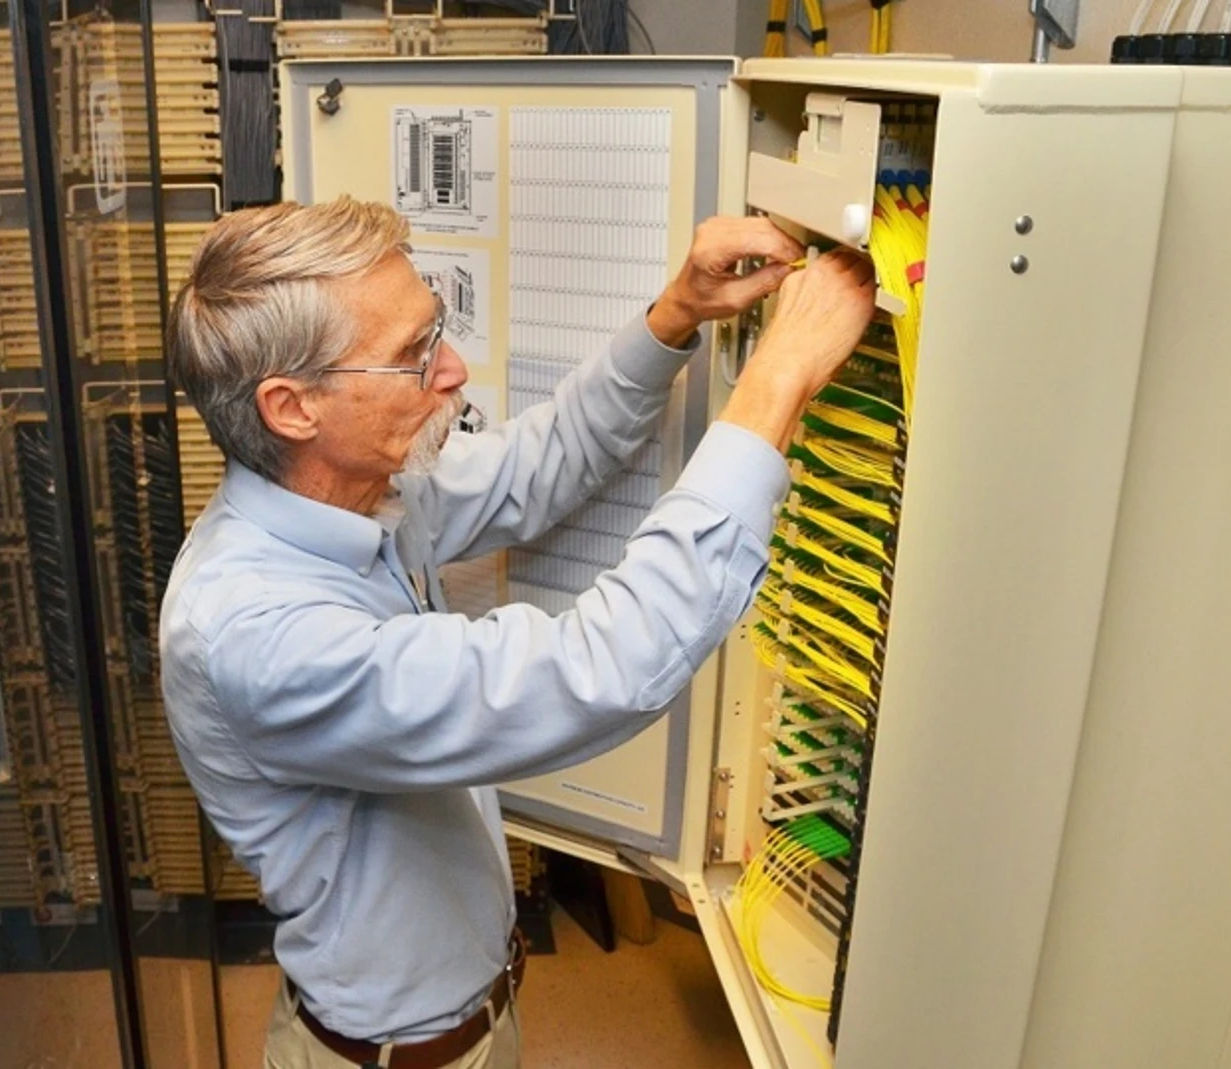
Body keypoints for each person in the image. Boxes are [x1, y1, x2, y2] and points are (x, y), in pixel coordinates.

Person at [160, 197, 876, 1069]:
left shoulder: (358, 493)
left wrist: (676, 314)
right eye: (411, 357)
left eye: (436, 333)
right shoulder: (255, 634)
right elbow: (600, 668)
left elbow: (537, 464)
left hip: (467, 1018)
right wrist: (777, 380)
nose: (451, 370)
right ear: (293, 407)